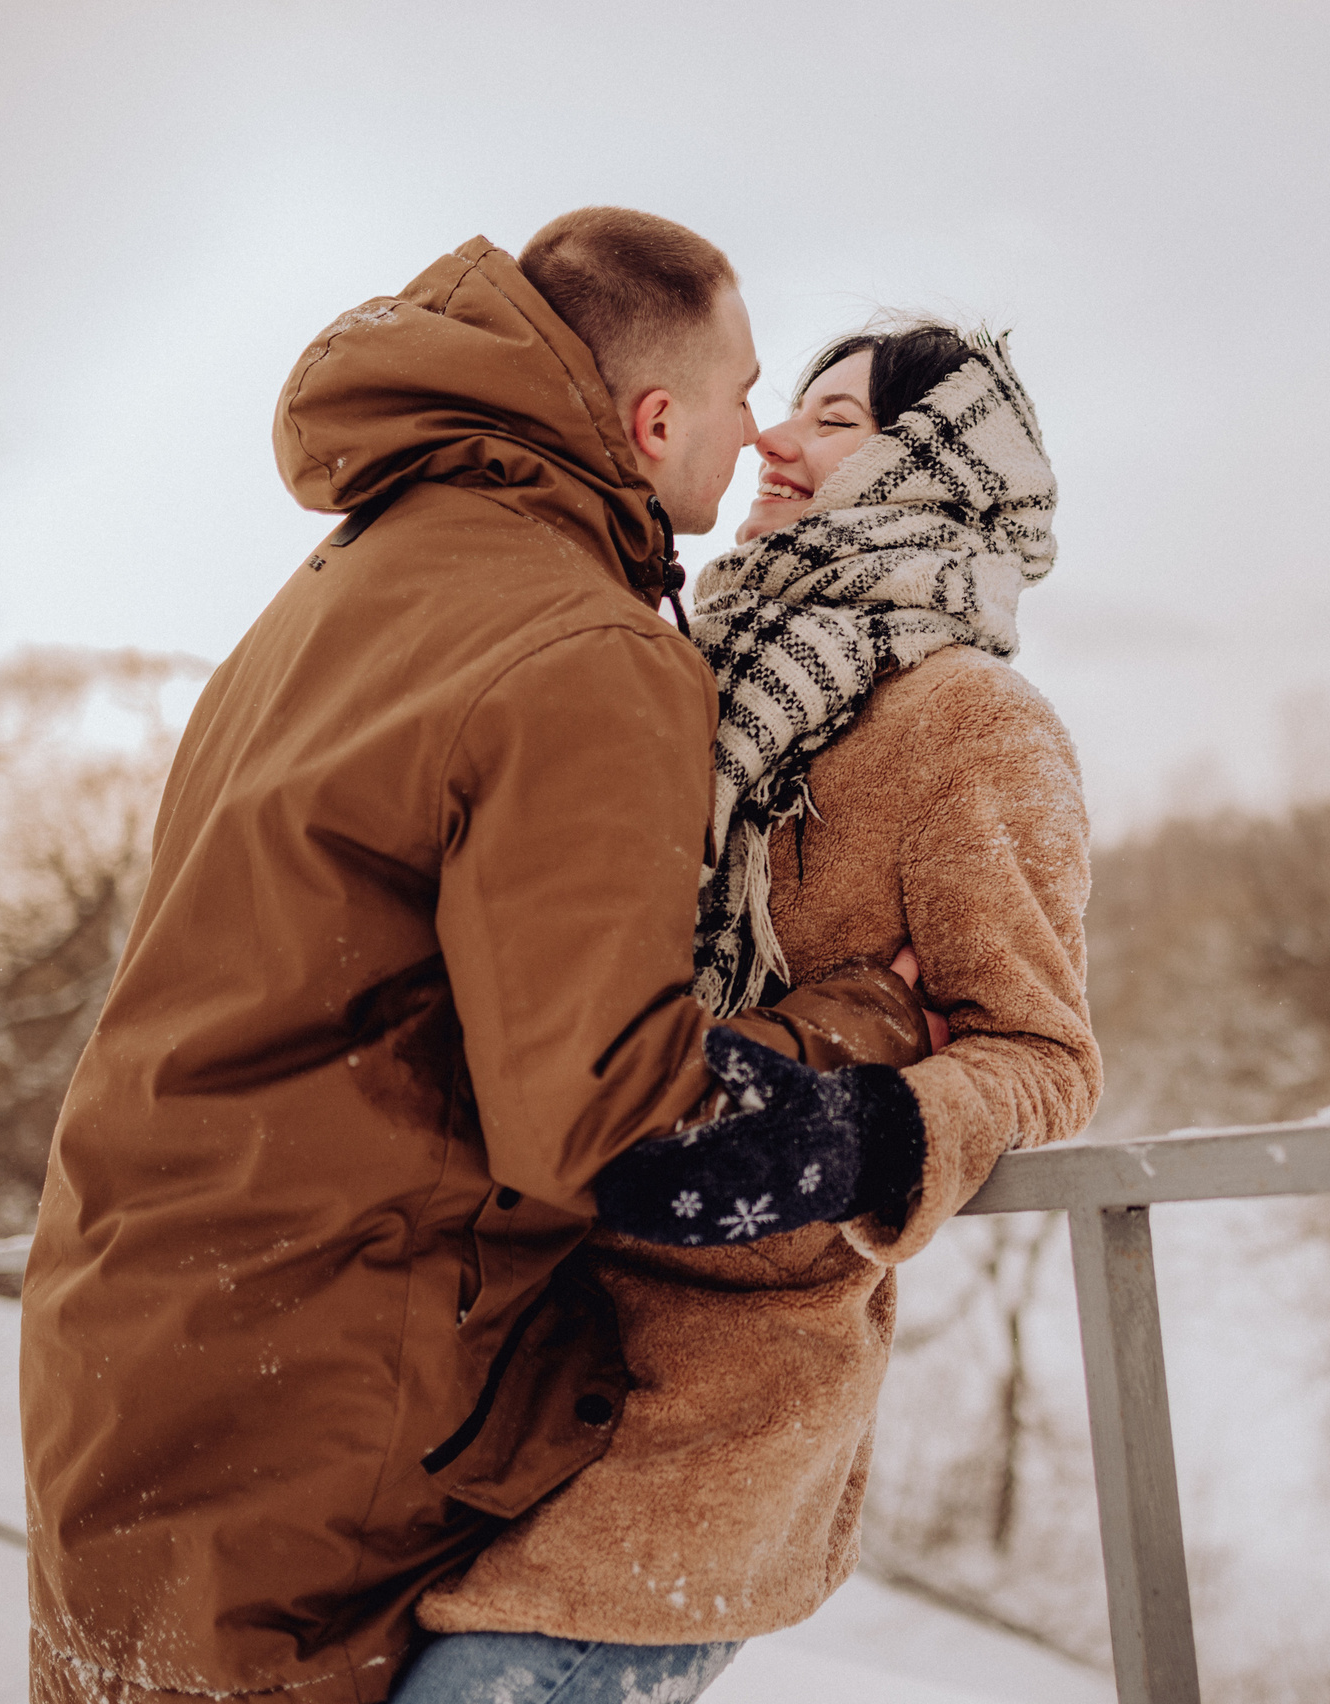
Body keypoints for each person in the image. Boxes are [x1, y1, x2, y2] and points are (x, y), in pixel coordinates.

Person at [19, 212, 941, 1704]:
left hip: (137, 1338)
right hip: (312, 1397)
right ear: (655, 423)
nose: (758, 431)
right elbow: (618, 1130)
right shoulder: (586, 651)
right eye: (741, 393)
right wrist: (867, 1048)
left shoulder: (346, 579)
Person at [398, 322, 1100, 1701]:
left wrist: (853, 1135)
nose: (773, 438)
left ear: (932, 467)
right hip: (519, 1340)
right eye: (787, 408)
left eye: (834, 422)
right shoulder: (683, 674)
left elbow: (1043, 1054)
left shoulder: (971, 722)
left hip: (716, 1408)